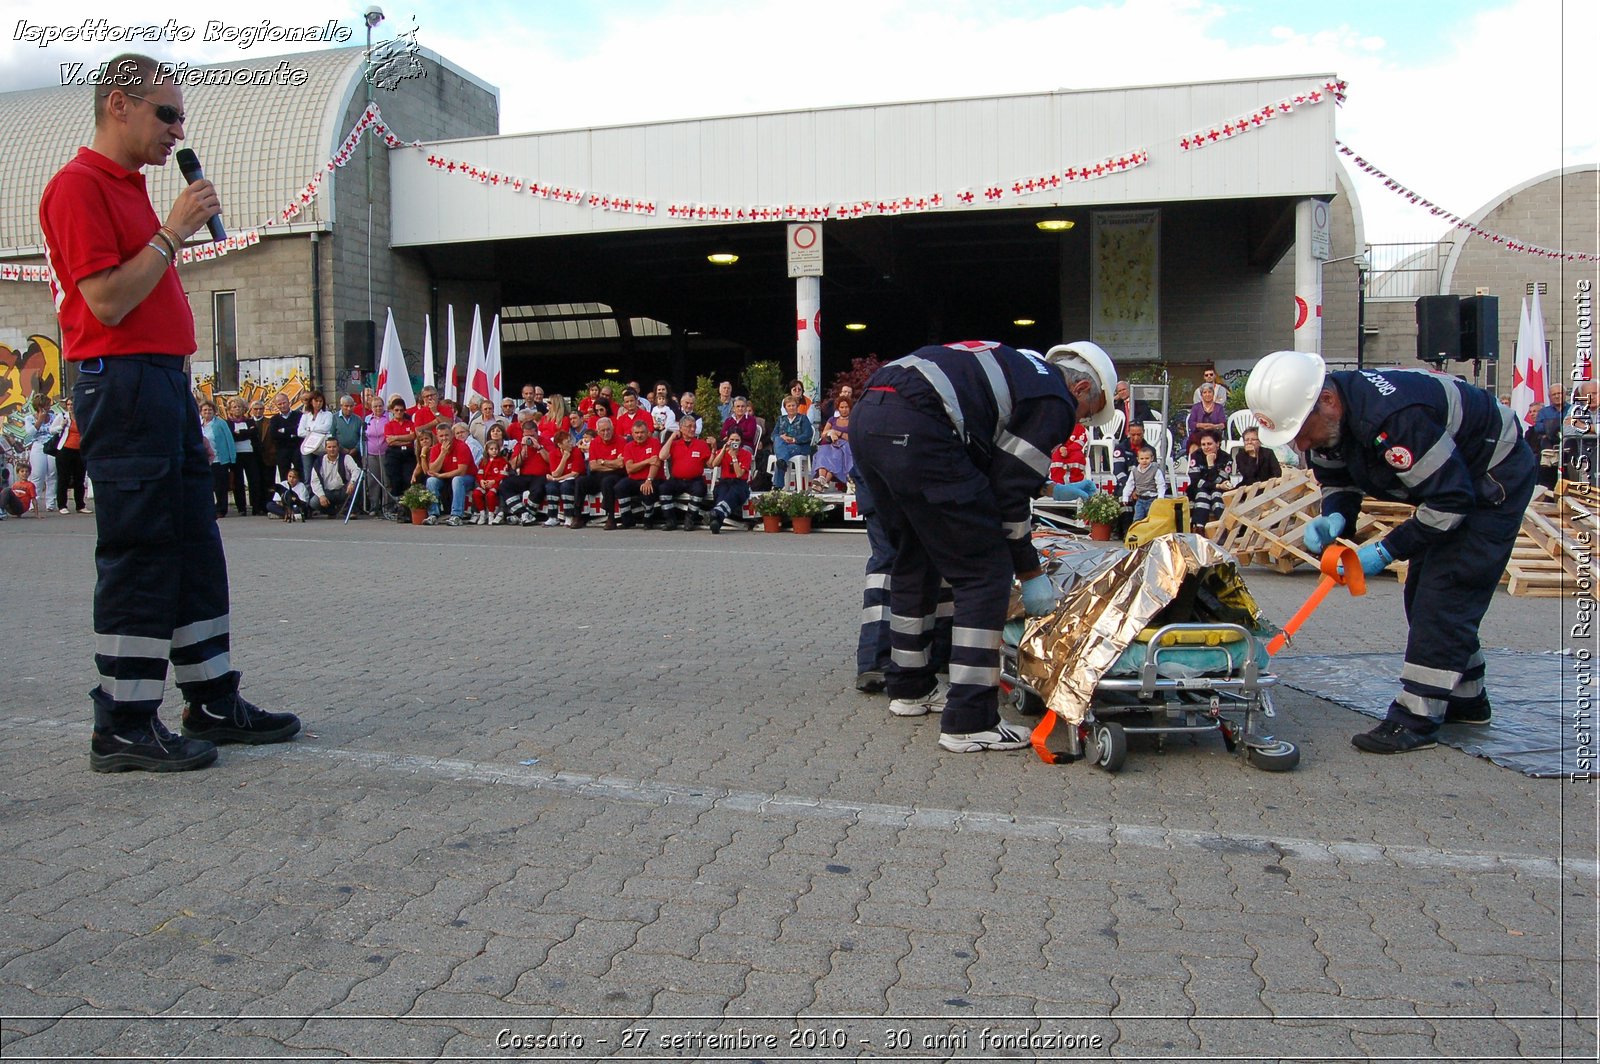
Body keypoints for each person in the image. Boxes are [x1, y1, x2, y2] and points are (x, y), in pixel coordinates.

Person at [40, 52, 299, 771]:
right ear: (118, 104)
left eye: (180, 115)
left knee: (192, 545)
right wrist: (173, 230)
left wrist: (165, 230)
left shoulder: (128, 188)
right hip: (120, 383)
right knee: (142, 551)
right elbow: (108, 301)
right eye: (166, 113)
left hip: (159, 383)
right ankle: (123, 723)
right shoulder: (78, 187)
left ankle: (213, 698)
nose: (177, 129)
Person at [1246, 350, 1535, 754]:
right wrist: (1335, 518)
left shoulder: (1395, 419)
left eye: (1301, 432)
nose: (1301, 444)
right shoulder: (1326, 420)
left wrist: (1385, 551)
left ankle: (1415, 721)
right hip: (1454, 482)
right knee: (1423, 594)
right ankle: (1467, 700)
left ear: (1327, 402)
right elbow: (1339, 479)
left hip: (1492, 477)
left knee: (1445, 594)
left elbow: (1451, 503)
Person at [852, 339, 1117, 753]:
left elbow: (993, 460)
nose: (1077, 423)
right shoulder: (1056, 397)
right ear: (1082, 389)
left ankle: (909, 689)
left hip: (871, 411)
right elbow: (1008, 492)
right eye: (1086, 413)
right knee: (984, 570)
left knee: (914, 557)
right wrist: (1029, 571)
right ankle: (970, 721)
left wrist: (1044, 485)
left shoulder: (1023, 367)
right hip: (919, 421)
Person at [659, 414, 712, 530]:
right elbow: (662, 456)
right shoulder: (674, 444)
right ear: (681, 428)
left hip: (695, 480)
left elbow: (711, 464)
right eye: (689, 426)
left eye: (694, 426)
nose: (692, 429)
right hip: (677, 480)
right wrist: (672, 437)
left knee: (699, 489)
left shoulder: (701, 444)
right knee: (663, 488)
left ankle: (690, 519)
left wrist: (714, 448)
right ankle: (670, 520)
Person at [576, 416, 628, 530]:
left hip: (616, 475)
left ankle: (611, 518)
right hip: (598, 474)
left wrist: (603, 462)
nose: (606, 432)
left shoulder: (621, 441)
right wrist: (612, 463)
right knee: (581, 482)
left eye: (608, 429)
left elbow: (621, 464)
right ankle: (578, 516)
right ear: (597, 431)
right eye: (603, 430)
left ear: (612, 429)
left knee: (607, 481)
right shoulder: (594, 443)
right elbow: (593, 466)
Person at [423, 419, 476, 526]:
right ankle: (433, 514)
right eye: (441, 436)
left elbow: (461, 471)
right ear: (437, 437)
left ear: (452, 435)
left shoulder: (461, 446)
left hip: (467, 478)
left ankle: (456, 515)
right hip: (446, 478)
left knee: (457, 480)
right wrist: (442, 453)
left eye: (446, 435)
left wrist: (441, 475)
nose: (444, 438)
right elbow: (432, 470)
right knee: (431, 481)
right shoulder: (436, 449)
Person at [615, 417, 665, 528]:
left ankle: (648, 518)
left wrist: (649, 480)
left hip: (652, 478)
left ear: (648, 433)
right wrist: (647, 461)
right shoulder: (628, 446)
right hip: (634, 478)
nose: (639, 435)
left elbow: (655, 463)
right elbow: (629, 468)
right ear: (632, 434)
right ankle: (627, 519)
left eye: (642, 432)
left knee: (647, 489)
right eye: (636, 433)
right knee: (620, 487)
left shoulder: (654, 443)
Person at [500, 419, 552, 526]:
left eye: (532, 435)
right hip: (525, 476)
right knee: (505, 484)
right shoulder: (520, 445)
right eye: (527, 435)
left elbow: (551, 460)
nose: (530, 438)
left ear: (537, 433)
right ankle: (523, 514)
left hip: (541, 476)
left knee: (538, 488)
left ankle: (526, 515)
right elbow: (514, 465)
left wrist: (539, 447)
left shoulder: (546, 442)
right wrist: (523, 451)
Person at [708, 428, 753, 533]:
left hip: (739, 483)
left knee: (733, 494)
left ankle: (716, 514)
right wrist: (723, 450)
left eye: (737, 440)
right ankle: (716, 521)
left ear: (741, 441)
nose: (734, 442)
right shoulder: (723, 451)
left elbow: (739, 474)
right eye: (732, 439)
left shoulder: (746, 454)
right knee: (722, 494)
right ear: (728, 440)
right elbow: (714, 464)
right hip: (725, 481)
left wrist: (734, 457)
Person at [24, 394, 62, 514]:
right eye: (47, 405)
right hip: (38, 446)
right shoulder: (30, 418)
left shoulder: (53, 416)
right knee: (38, 474)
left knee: (52, 473)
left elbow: (57, 429)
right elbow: (30, 433)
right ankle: (33, 502)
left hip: (51, 446)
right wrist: (40, 419)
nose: (49, 407)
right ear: (39, 407)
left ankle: (50, 503)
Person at [1185, 432, 1230, 532]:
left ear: (1217, 444)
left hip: (1219, 490)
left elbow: (1222, 479)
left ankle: (1223, 527)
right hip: (1198, 489)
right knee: (1203, 493)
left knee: (1216, 494)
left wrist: (1211, 465)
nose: (1206, 447)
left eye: (1209, 444)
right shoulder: (1195, 455)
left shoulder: (1226, 457)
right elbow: (1196, 481)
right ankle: (1199, 529)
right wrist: (1217, 485)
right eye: (1203, 444)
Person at [52, 397, 90, 514]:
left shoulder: (82, 417)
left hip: (79, 450)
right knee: (64, 478)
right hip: (65, 450)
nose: (70, 407)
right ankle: (62, 505)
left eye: (72, 404)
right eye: (68, 404)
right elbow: (51, 430)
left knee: (79, 478)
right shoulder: (62, 417)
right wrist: (61, 426)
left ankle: (80, 505)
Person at [224, 398, 260, 516]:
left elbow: (254, 433)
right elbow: (231, 437)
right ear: (230, 409)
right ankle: (241, 508)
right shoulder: (228, 423)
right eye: (234, 407)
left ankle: (256, 506)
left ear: (244, 408)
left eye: (239, 406)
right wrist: (246, 433)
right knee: (238, 482)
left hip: (250, 453)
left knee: (253, 480)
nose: (237, 409)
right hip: (236, 455)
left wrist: (242, 433)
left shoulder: (249, 421)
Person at [309, 437, 360, 519]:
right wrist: (321, 496)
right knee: (314, 502)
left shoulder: (346, 458)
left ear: (338, 447)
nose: (332, 449)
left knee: (356, 485)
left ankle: (351, 511)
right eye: (329, 447)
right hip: (327, 493)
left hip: (344, 490)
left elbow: (356, 470)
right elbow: (315, 481)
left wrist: (352, 482)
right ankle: (332, 512)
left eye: (334, 447)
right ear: (325, 448)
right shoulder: (319, 462)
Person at [199, 400, 235, 518]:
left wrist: (232, 458)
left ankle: (221, 509)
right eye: (205, 410)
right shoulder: (199, 424)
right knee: (207, 486)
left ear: (214, 411)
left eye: (210, 410)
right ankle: (209, 508)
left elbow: (229, 440)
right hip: (205, 461)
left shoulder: (220, 423)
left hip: (219, 459)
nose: (207, 412)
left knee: (220, 486)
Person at [771, 394, 815, 489]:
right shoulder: (781, 419)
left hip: (798, 446)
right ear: (785, 408)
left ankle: (778, 485)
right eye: (789, 406)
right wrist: (782, 437)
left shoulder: (803, 418)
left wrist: (794, 439)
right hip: (783, 445)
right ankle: (782, 462)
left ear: (797, 406)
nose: (791, 408)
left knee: (781, 455)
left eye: (793, 405)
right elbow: (773, 435)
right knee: (778, 439)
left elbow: (808, 435)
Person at [546, 427, 586, 527]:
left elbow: (575, 473)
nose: (571, 444)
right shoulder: (553, 454)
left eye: (570, 441)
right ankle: (552, 517)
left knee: (566, 486)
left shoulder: (576, 452)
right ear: (560, 445)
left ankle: (569, 516)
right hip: (561, 478)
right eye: (567, 442)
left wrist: (556, 479)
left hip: (573, 480)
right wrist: (564, 459)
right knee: (551, 487)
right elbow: (555, 473)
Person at [812, 396, 853, 490]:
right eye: (842, 407)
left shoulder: (852, 421)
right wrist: (831, 432)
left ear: (850, 408)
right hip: (831, 444)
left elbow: (852, 438)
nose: (844, 409)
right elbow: (823, 434)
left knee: (836, 456)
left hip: (844, 446)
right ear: (838, 408)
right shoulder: (832, 420)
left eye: (846, 407)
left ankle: (822, 483)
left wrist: (839, 433)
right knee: (822, 452)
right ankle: (822, 478)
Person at [1119, 444, 1168, 523]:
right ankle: (1137, 534)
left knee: (1151, 519)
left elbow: (1161, 485)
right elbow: (1129, 484)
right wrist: (1125, 496)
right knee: (1137, 519)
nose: (1144, 460)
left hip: (1152, 499)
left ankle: (1150, 535)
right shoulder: (1134, 471)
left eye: (1147, 458)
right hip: (1140, 500)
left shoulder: (1156, 470)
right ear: (1138, 459)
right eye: (1142, 458)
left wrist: (1160, 498)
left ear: (1152, 458)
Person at [472, 435, 509, 524]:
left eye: (496, 449)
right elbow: (480, 473)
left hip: (496, 484)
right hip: (484, 483)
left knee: (491, 495)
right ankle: (482, 513)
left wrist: (493, 481)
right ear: (487, 450)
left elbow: (503, 474)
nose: (494, 451)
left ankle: (491, 514)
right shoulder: (484, 461)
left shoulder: (502, 461)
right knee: (476, 493)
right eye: (491, 449)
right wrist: (481, 481)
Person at [296, 390, 333, 481]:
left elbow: (326, 428)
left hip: (321, 447)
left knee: (322, 474)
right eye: (316, 401)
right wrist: (315, 431)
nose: (318, 403)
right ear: (311, 402)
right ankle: (308, 494)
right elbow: (300, 432)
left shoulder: (327, 414)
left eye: (321, 401)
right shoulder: (306, 416)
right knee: (308, 475)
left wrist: (309, 429)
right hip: (308, 447)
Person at [1184, 383, 1227, 456]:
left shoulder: (1219, 407)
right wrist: (1202, 425)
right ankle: (1193, 464)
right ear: (1201, 395)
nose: (1207, 394)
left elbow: (1223, 424)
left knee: (1211, 442)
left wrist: (1213, 426)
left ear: (1213, 394)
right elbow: (1191, 423)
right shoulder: (1196, 407)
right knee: (1194, 444)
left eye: (1210, 392)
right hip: (1199, 433)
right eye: (1205, 392)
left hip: (1214, 433)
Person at [267, 393, 300, 480]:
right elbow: (274, 435)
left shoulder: (299, 416)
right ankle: (285, 493)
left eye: (284, 403)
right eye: (279, 404)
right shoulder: (274, 419)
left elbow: (300, 431)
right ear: (276, 405)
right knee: (284, 475)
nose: (282, 405)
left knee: (299, 473)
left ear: (289, 402)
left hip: (297, 449)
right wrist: (292, 434)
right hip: (282, 451)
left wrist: (283, 430)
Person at [331, 394, 363, 460]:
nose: (349, 408)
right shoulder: (334, 418)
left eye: (351, 406)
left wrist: (356, 449)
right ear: (341, 406)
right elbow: (332, 435)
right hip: (339, 453)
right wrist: (341, 448)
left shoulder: (358, 419)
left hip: (355, 454)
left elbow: (362, 437)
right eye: (346, 406)